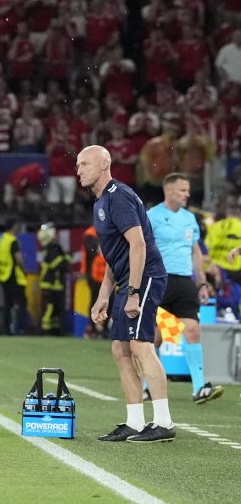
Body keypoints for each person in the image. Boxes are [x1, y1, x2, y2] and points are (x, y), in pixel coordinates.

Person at [77, 145, 175, 443]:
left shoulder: (118, 196)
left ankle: (164, 422)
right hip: (126, 281)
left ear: (104, 163)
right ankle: (134, 422)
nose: (79, 170)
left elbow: (138, 244)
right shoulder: (100, 202)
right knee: (120, 349)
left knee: (141, 346)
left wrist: (133, 292)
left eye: (85, 164)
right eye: (78, 165)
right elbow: (113, 254)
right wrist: (103, 295)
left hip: (144, 277)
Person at [146, 173, 223, 403]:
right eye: (182, 190)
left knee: (192, 330)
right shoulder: (152, 216)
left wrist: (201, 282)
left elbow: (195, 251)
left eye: (187, 190)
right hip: (159, 281)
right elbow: (141, 247)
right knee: (155, 337)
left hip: (184, 283)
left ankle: (200, 388)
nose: (187, 194)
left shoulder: (190, 218)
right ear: (168, 190)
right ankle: (147, 387)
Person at [0, 219, 27, 335]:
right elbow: (18, 259)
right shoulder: (12, 240)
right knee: (22, 302)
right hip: (13, 276)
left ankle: (6, 329)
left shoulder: (2, 240)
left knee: (7, 304)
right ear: (14, 226)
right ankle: (21, 328)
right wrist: (24, 269)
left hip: (3, 277)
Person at [37, 222, 70, 335]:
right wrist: (67, 258)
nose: (56, 236)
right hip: (49, 284)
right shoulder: (51, 249)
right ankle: (45, 331)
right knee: (49, 308)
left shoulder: (53, 248)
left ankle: (55, 330)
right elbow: (61, 264)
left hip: (56, 284)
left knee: (56, 309)